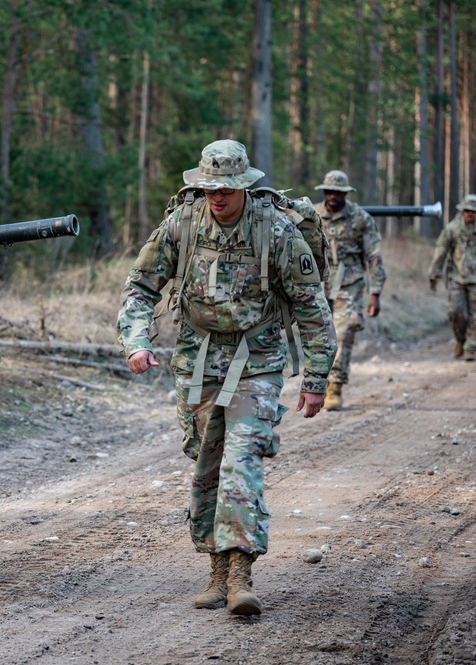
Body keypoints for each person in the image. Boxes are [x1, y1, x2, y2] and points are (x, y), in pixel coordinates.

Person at [117, 140, 336, 616]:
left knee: (242, 461)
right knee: (207, 467)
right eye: (208, 188)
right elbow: (139, 288)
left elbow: (312, 308)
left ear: (244, 186)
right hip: (197, 362)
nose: (216, 197)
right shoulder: (182, 224)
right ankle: (216, 570)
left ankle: (241, 575)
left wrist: (317, 377)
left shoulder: (275, 230)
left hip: (257, 360)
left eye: (226, 189)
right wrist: (137, 341)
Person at [313, 170, 386, 411]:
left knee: (344, 335)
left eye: (338, 192)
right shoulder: (312, 215)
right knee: (318, 338)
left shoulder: (360, 218)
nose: (333, 196)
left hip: (350, 283)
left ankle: (335, 386)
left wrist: (375, 291)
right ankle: (315, 384)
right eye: (329, 191)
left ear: (346, 194)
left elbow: (374, 255)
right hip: (318, 283)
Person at [428, 194, 476, 361]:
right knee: (456, 313)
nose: (470, 214)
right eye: (467, 211)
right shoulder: (452, 229)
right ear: (462, 211)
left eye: (474, 211)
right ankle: (460, 340)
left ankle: (471, 347)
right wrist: (435, 270)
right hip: (457, 277)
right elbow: (441, 249)